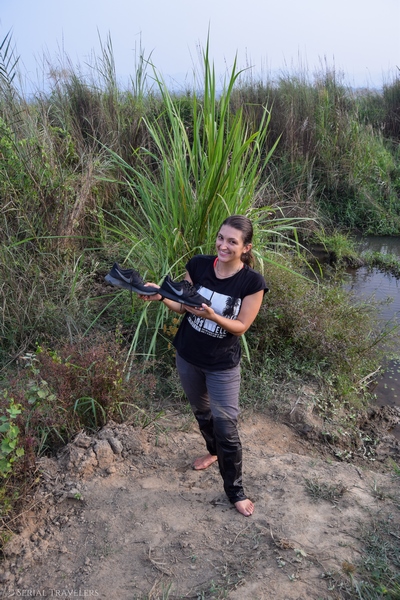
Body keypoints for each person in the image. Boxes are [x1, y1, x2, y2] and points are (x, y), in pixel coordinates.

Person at [140, 215, 268, 516]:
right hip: (187, 356)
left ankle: (235, 491)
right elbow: (181, 304)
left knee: (227, 426)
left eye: (232, 241)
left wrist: (212, 316)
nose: (223, 245)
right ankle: (213, 452)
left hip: (222, 364)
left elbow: (241, 326)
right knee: (202, 412)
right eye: (221, 238)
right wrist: (160, 296)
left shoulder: (252, 283)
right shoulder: (198, 265)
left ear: (246, 248)